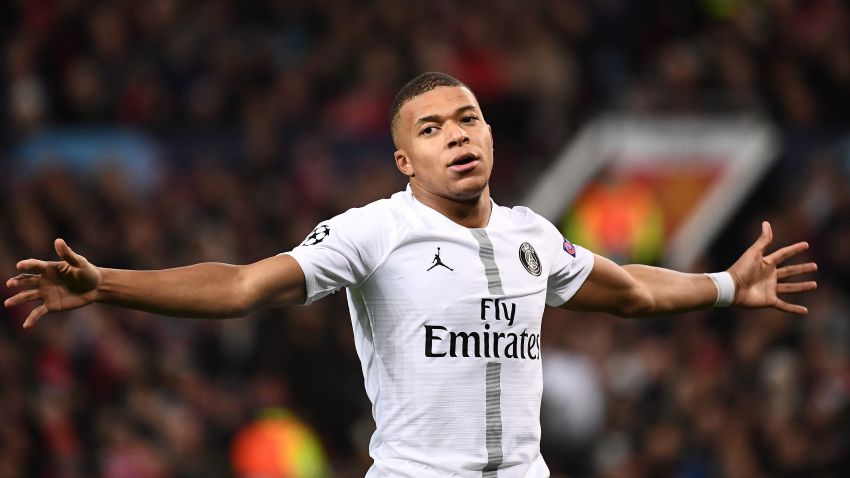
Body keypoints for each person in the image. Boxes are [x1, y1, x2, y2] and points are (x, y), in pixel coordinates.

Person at [4, 72, 817, 477]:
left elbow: (634, 292)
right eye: (432, 129)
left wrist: (725, 285)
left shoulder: (533, 236)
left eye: (468, 119)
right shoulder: (377, 230)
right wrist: (105, 283)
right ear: (404, 158)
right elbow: (243, 286)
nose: (456, 136)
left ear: (490, 133)